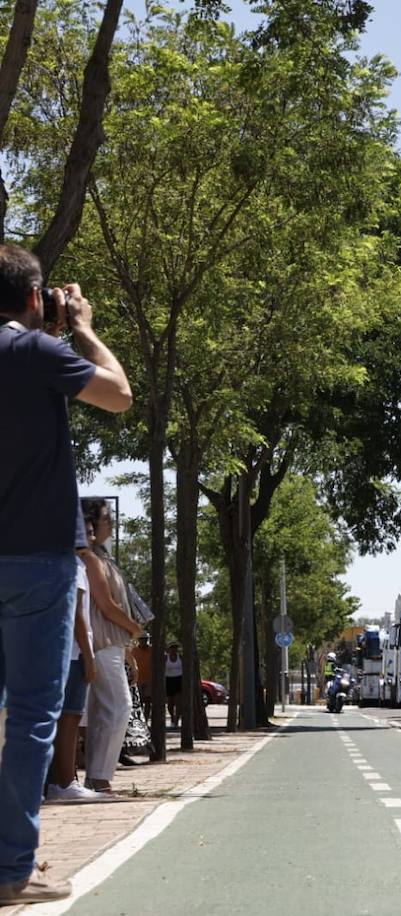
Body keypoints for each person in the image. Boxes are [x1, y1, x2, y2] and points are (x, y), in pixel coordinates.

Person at [0, 246, 131, 904]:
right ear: (33, 297)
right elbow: (118, 395)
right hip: (36, 560)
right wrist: (81, 326)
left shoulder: (27, 351)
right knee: (29, 716)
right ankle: (10, 869)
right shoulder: (36, 355)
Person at [79, 498, 142, 796]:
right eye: (106, 517)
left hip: (111, 642)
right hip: (102, 641)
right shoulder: (90, 557)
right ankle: (99, 777)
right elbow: (106, 604)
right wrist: (133, 627)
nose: (110, 522)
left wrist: (129, 649)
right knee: (117, 707)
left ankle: (98, 776)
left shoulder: (103, 557)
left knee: (106, 709)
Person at [44, 556, 101, 802]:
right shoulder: (75, 565)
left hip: (57, 649)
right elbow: (77, 614)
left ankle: (55, 781)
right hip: (73, 653)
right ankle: (65, 782)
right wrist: (89, 656)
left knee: (61, 718)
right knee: (71, 716)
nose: (89, 533)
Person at [165, 643, 183, 727]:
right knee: (170, 703)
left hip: (178, 680)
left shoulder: (181, 657)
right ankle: (172, 716)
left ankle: (176, 721)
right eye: (171, 648)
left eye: (175, 648)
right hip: (168, 680)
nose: (173, 650)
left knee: (178, 702)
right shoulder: (166, 658)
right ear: (169, 649)